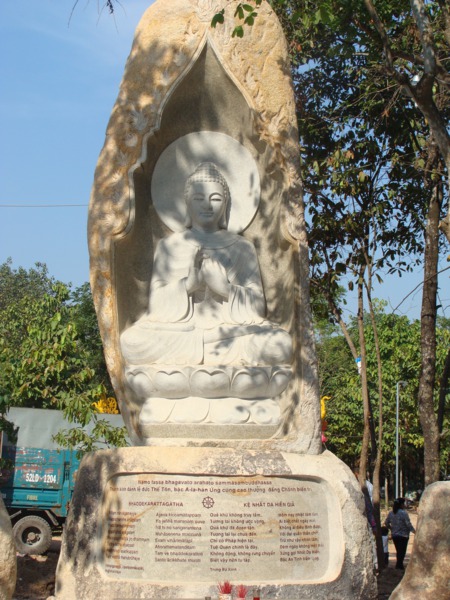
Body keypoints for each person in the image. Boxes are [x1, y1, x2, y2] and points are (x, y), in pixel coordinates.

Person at [121, 162, 292, 369]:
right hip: (180, 334)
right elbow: (156, 305)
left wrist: (225, 289)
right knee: (132, 341)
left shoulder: (242, 247)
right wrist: (188, 284)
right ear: (187, 202)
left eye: (216, 198)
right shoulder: (169, 246)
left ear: (226, 204)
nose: (207, 205)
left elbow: (257, 306)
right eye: (199, 198)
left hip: (230, 336)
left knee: (279, 344)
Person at [384, 497, 415, 570]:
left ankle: (399, 565)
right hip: (404, 535)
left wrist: (391, 528)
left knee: (398, 550)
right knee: (402, 551)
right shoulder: (404, 513)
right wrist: (414, 531)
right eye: (404, 503)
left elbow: (386, 522)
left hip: (395, 535)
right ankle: (399, 565)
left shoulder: (391, 513)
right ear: (401, 504)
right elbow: (408, 524)